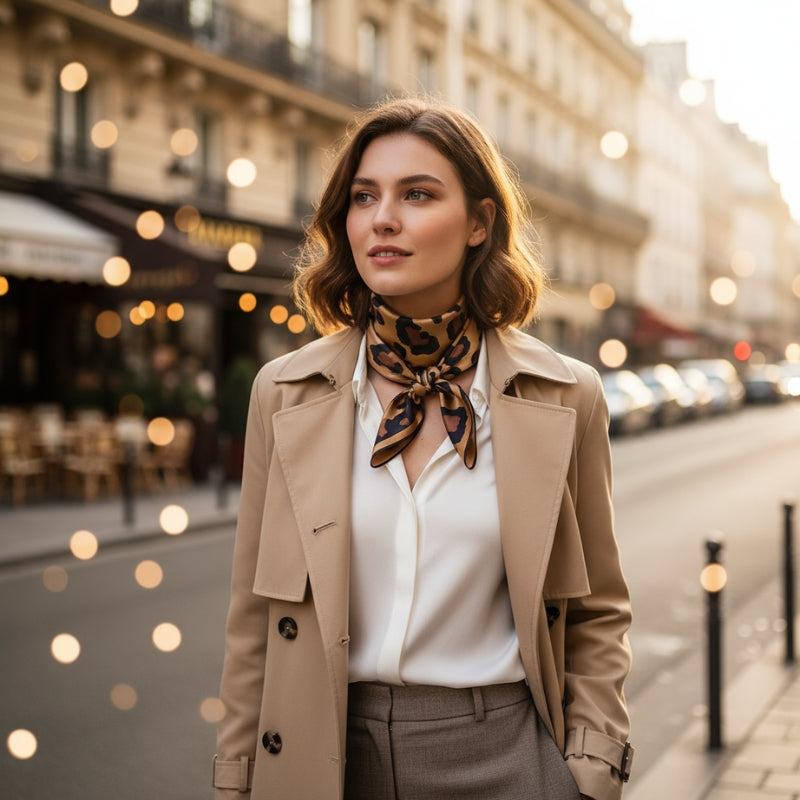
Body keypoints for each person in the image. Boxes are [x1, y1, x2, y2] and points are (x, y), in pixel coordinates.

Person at [212, 96, 633, 800]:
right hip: (325, 760)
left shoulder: (565, 394)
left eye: (418, 194)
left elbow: (597, 612)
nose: (383, 217)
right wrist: (236, 780)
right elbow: (255, 616)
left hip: (507, 757)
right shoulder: (284, 393)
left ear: (478, 222)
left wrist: (589, 769)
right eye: (364, 197)